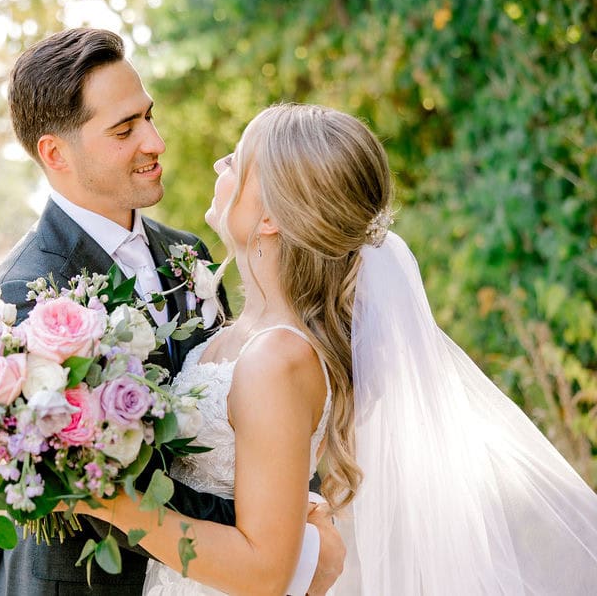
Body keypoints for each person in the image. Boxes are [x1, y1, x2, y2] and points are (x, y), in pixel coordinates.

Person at [74, 103, 597, 594]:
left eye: (236, 159)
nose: (219, 163)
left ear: (270, 218)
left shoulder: (276, 360)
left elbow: (264, 571)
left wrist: (114, 503)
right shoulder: (245, 333)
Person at [0, 30, 345, 595]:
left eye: (148, 116)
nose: (156, 141)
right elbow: (105, 485)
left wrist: (290, 508)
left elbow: (259, 415)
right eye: (124, 130)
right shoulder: (27, 295)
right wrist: (290, 537)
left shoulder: (189, 254)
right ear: (56, 153)